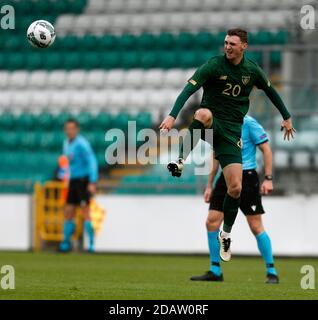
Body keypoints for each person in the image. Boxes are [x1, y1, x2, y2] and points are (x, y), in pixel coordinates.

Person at [159, 28, 295, 261]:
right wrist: (173, 115)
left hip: (232, 134)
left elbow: (271, 92)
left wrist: (286, 116)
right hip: (213, 124)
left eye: (233, 43)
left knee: (235, 188)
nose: (228, 47)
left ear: (244, 46)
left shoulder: (251, 71)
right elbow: (189, 88)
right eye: (225, 42)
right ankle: (180, 161)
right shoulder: (214, 65)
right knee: (202, 113)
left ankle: (227, 233)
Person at [191, 115, 278, 283]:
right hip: (225, 177)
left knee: (255, 225)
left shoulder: (249, 123)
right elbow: (216, 155)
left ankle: (271, 271)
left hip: (247, 177)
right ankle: (215, 270)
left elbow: (266, 149)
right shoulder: (220, 123)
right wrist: (209, 184)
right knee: (212, 222)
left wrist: (268, 178)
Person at [59, 119, 98, 253]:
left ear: (77, 129)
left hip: (83, 181)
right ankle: (65, 244)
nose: (69, 131)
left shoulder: (82, 144)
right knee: (68, 211)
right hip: (73, 181)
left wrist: (92, 181)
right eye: (67, 129)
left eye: (72, 128)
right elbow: (67, 163)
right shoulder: (66, 143)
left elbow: (92, 161)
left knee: (85, 212)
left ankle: (91, 244)